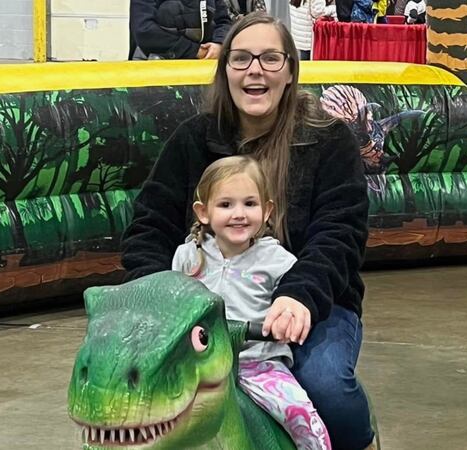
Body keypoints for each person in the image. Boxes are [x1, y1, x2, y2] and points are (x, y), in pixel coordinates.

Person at [120, 11, 375, 450]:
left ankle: (361, 441)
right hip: (205, 313)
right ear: (225, 71)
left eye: (270, 59)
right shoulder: (193, 138)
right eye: (240, 59)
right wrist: (156, 301)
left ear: (291, 72)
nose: (255, 70)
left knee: (326, 388)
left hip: (312, 303)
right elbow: (150, 226)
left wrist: (298, 297)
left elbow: (340, 234)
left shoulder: (329, 141)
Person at [172, 155, 331, 450]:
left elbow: (293, 303)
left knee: (300, 415)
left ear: (267, 210)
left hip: (257, 363)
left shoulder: (278, 261)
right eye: (225, 205)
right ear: (203, 212)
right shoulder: (186, 257)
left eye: (249, 204)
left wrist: (286, 322)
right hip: (199, 366)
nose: (239, 214)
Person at [129, 0, 232, 60]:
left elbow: (224, 21)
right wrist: (194, 51)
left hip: (203, 69)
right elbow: (144, 31)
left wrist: (219, 44)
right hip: (154, 70)